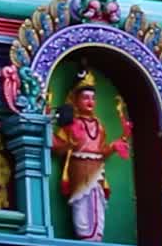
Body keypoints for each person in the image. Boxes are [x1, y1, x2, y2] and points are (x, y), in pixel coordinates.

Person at [51, 71, 130, 241]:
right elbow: (56, 147)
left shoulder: (99, 126)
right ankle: (84, 237)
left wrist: (116, 145)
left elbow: (101, 151)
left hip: (97, 169)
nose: (90, 102)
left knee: (97, 204)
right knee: (80, 204)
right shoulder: (71, 125)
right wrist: (69, 144)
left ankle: (96, 238)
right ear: (75, 100)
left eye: (92, 98)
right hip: (78, 168)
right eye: (85, 98)